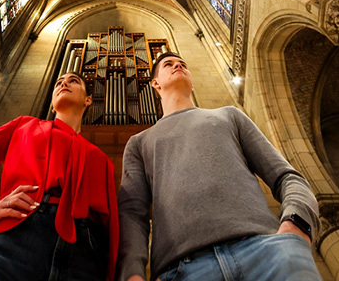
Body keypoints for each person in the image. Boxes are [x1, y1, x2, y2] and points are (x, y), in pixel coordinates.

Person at [117, 52, 321, 281]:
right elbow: (132, 214)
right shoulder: (139, 142)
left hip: (266, 255)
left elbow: (287, 177)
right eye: (169, 64)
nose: (178, 66)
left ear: (193, 83)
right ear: (155, 83)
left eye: (183, 64)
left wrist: (298, 223)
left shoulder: (229, 115)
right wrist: (132, 273)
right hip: (182, 270)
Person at [0, 72, 119, 281]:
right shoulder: (25, 127)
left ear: (88, 100)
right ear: (52, 105)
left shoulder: (101, 159)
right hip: (17, 238)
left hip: (85, 254)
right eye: (59, 82)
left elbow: (112, 226)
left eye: (73, 81)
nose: (64, 84)